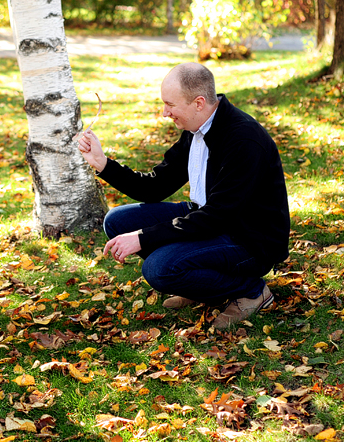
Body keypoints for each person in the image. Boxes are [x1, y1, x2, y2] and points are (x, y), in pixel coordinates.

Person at [77, 62, 289, 329]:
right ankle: (200, 281)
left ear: (198, 103)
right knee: (117, 221)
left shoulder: (243, 140)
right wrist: (103, 164)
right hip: (209, 216)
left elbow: (217, 217)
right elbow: (154, 187)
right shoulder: (196, 129)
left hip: (248, 238)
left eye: (170, 104)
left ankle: (251, 290)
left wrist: (143, 238)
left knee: (158, 269)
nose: (165, 112)